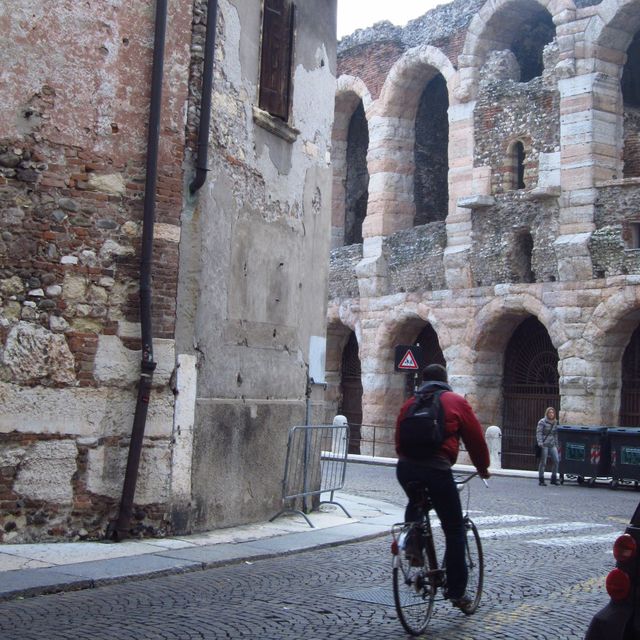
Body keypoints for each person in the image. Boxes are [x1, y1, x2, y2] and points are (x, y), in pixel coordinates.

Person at [395, 363, 491, 610]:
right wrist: (483, 467)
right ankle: (457, 591)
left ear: (423, 381)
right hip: (436, 468)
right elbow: (475, 439)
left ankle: (413, 539)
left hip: (405, 468)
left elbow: (398, 440)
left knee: (416, 502)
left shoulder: (410, 403)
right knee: (454, 529)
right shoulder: (455, 401)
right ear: (445, 380)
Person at [537, 407, 559, 486]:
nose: (551, 414)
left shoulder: (555, 422)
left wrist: (557, 444)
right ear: (547, 413)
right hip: (544, 444)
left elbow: (555, 434)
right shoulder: (542, 422)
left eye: (552, 413)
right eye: (550, 412)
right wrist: (540, 442)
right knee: (543, 462)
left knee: (556, 461)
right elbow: (539, 432)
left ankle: (553, 478)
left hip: (552, 444)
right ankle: (541, 479)